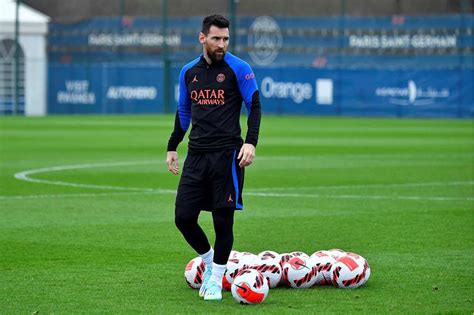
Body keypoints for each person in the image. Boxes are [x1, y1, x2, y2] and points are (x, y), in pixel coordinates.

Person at [166, 14, 261, 301]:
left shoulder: (239, 68)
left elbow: (254, 106)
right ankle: (209, 263)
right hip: (196, 156)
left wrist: (251, 143)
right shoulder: (188, 72)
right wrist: (173, 146)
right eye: (216, 38)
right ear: (202, 38)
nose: (221, 44)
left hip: (227, 157)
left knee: (223, 222)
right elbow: (184, 112)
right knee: (183, 217)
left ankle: (216, 282)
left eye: (226, 39)